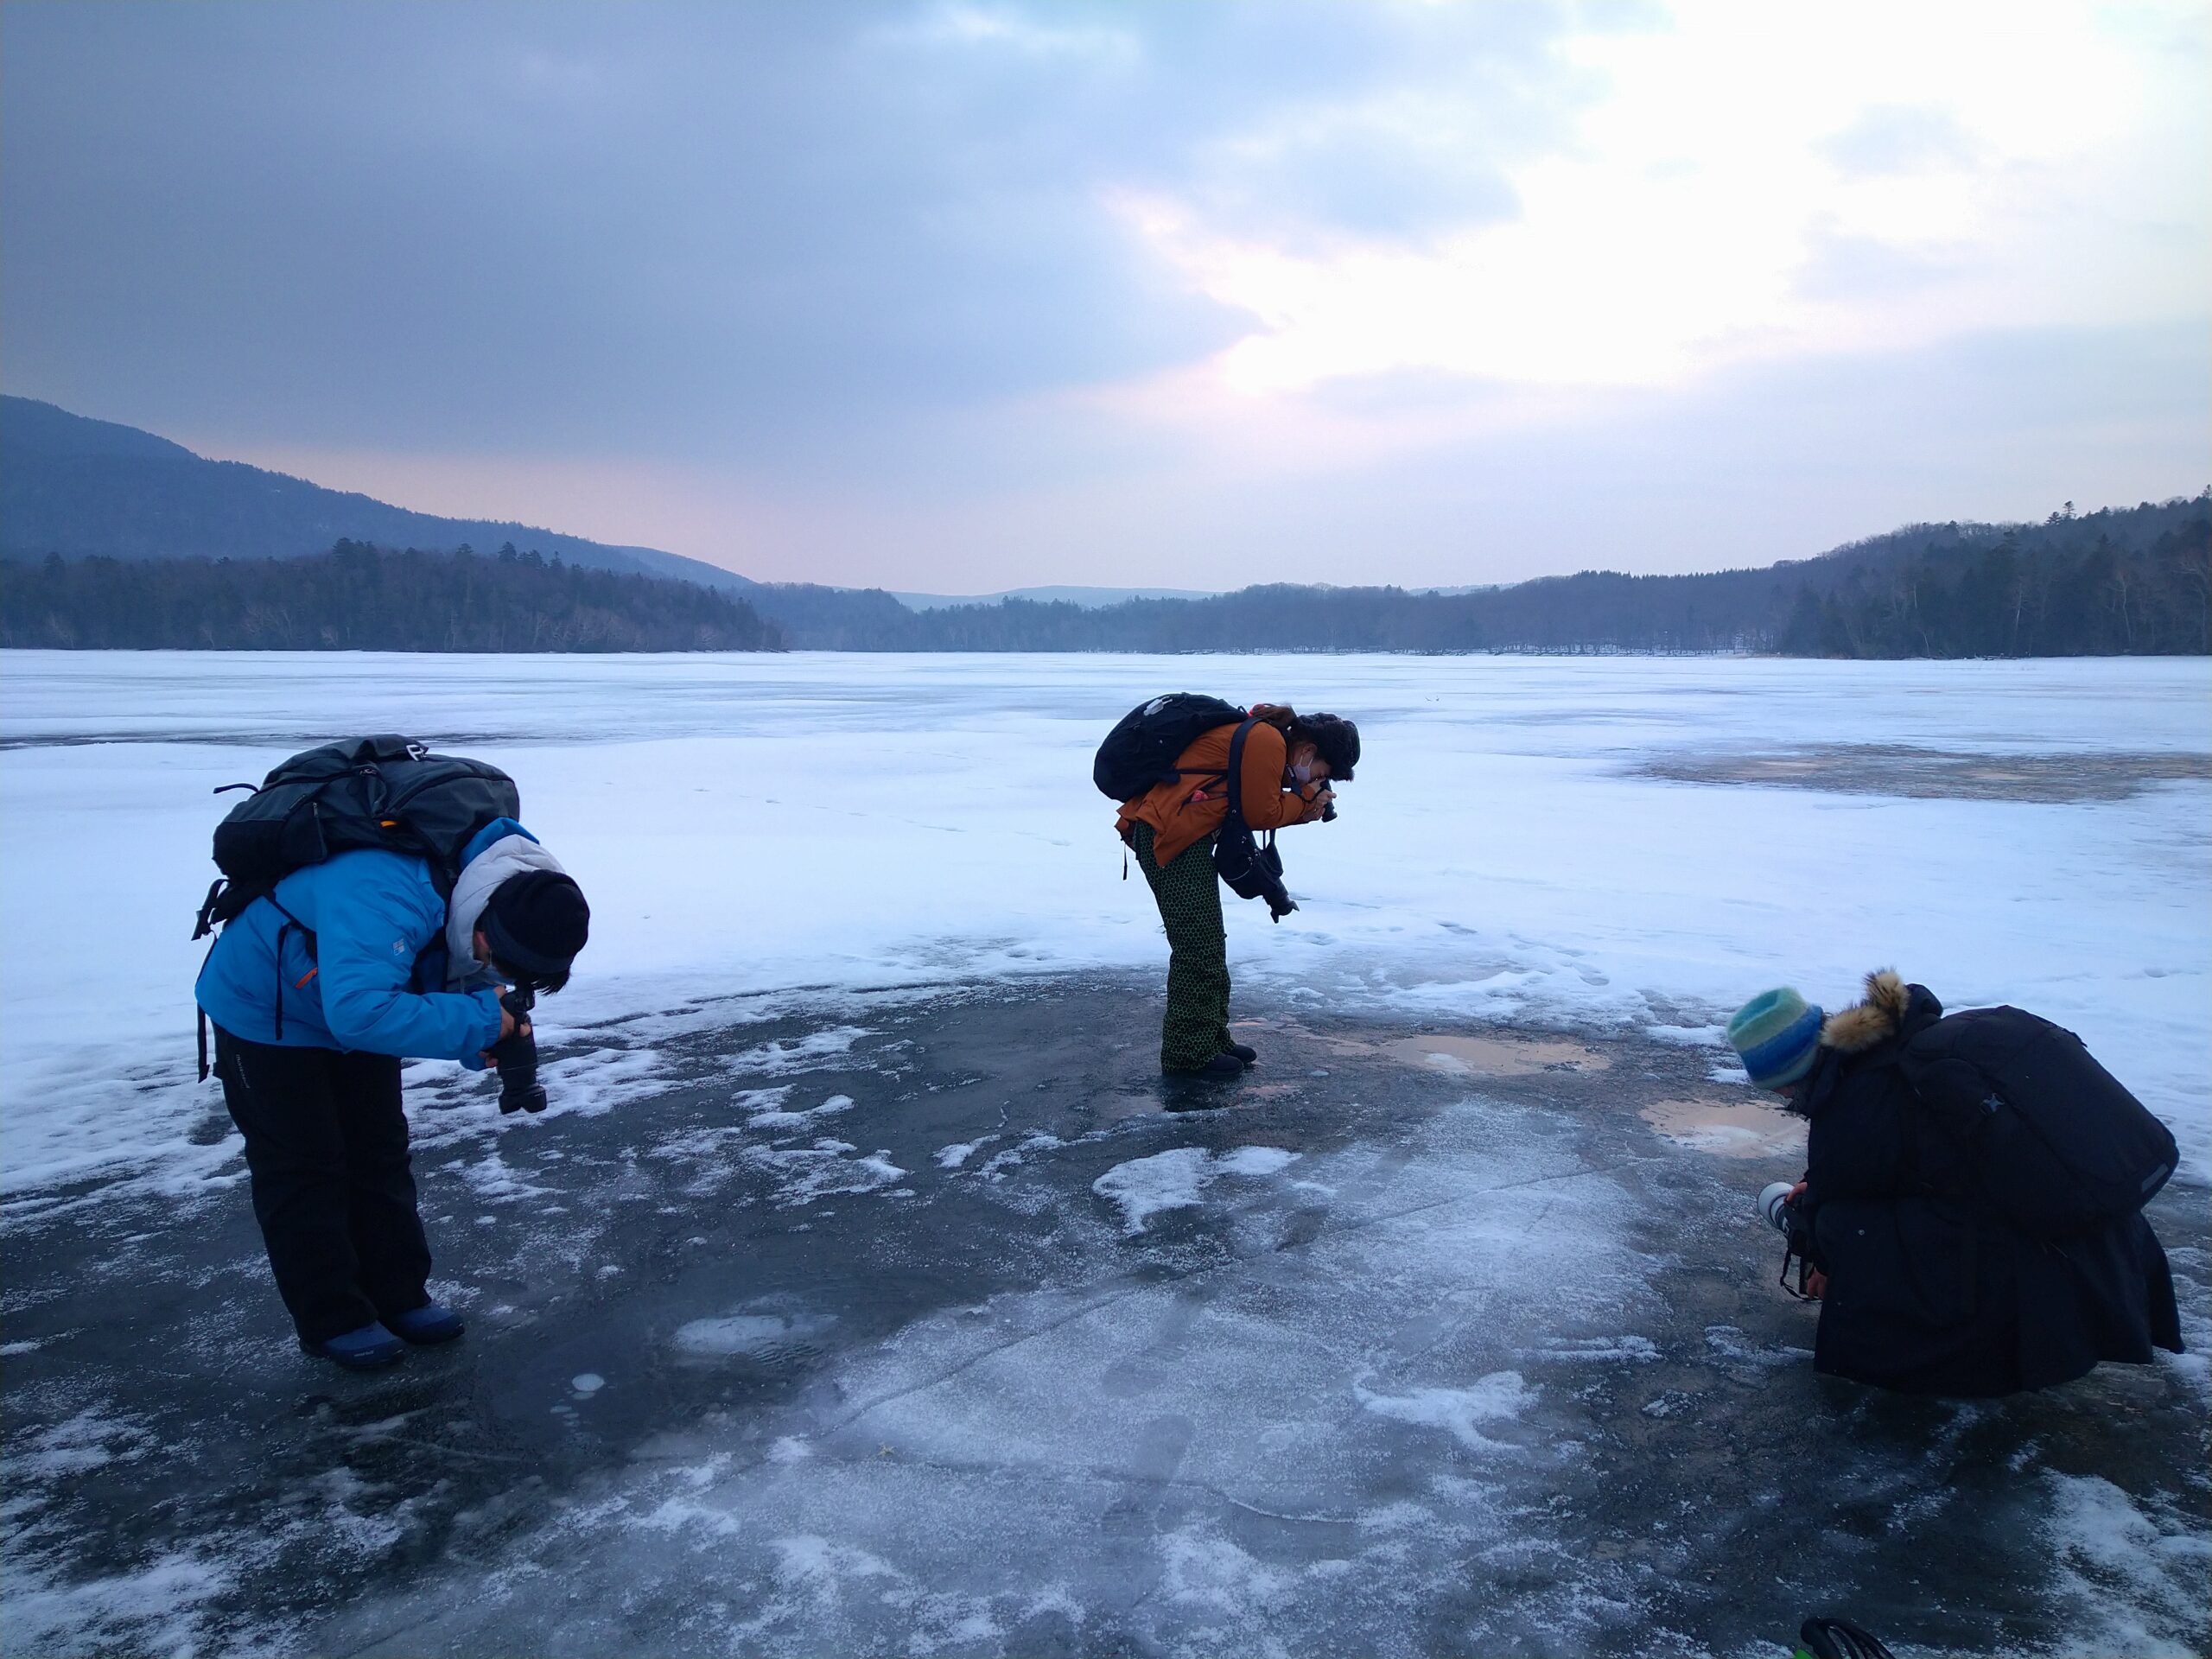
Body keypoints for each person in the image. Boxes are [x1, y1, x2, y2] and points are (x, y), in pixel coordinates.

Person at [196, 816, 589, 1371]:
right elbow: (362, 1013)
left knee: (378, 1151)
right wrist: (481, 1022)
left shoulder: (510, 891)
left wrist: (489, 1035)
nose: (492, 972)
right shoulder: (383, 888)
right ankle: (333, 1318)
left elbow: (448, 963)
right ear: (487, 921)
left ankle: (400, 1296)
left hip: (352, 998)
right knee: (306, 1166)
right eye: (494, 958)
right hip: (268, 1009)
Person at [1728, 970, 2182, 1396]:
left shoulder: (1854, 1103)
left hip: (2018, 1263)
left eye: (1779, 1089)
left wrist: (1825, 1258)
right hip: (2083, 1235)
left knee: (1840, 1224)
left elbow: (1849, 1189)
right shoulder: (1894, 1049)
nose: (1785, 1100)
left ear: (1792, 1071)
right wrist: (1821, 1182)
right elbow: (1903, 1155)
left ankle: (1946, 1351)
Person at [1116, 703, 1358, 1086]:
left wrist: (1301, 801)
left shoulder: (1268, 740)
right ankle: (1187, 1054)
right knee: (1197, 948)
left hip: (1183, 836)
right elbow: (1261, 812)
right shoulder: (1267, 741)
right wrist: (1305, 806)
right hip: (1172, 839)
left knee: (1209, 944)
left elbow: (1253, 805)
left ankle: (1212, 1040)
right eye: (1323, 773)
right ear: (1308, 752)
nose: (1317, 780)